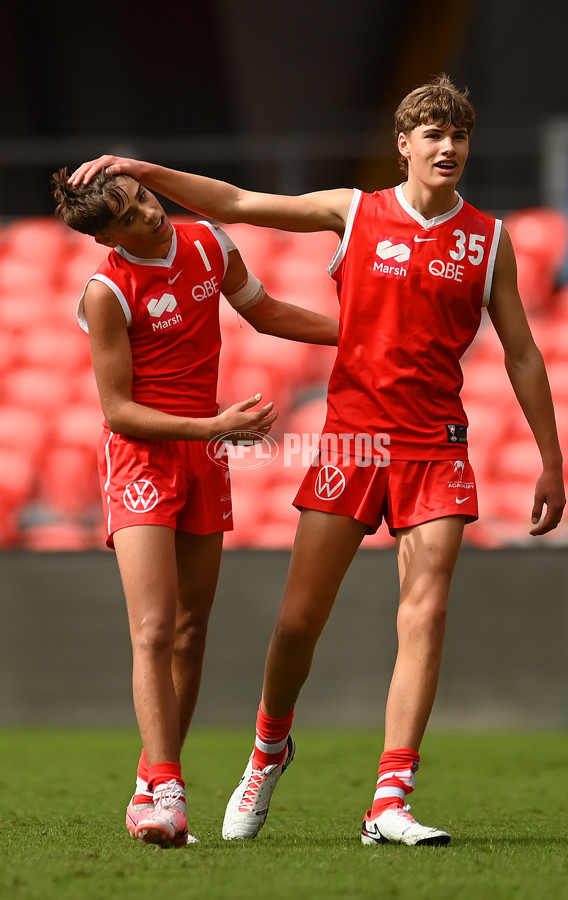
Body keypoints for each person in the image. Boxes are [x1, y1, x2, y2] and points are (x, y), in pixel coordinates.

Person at [69, 74, 566, 848]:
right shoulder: (354, 210)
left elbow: (526, 356)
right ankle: (268, 749)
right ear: (404, 145)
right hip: (352, 440)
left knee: (426, 611)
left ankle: (388, 798)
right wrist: (145, 172)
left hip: (437, 444)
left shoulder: (490, 238)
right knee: (298, 624)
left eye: (457, 135)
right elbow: (236, 203)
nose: (447, 147)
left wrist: (551, 461)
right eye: (432, 134)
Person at [52, 166, 338, 848]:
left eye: (145, 198)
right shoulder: (106, 293)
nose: (150, 215)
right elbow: (118, 411)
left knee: (190, 628)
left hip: (204, 453)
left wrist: (356, 336)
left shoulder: (209, 241)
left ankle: (150, 786)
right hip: (145, 457)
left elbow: (264, 312)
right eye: (129, 215)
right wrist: (212, 428)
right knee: (152, 629)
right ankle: (170, 790)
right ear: (107, 237)